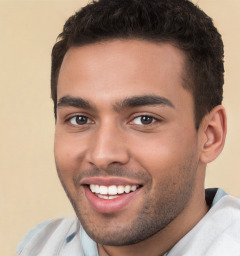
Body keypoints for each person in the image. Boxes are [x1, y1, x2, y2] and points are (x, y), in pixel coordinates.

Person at [17, 0, 240, 255]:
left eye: (144, 119)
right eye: (80, 119)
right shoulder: (39, 246)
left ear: (210, 136)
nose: (102, 154)